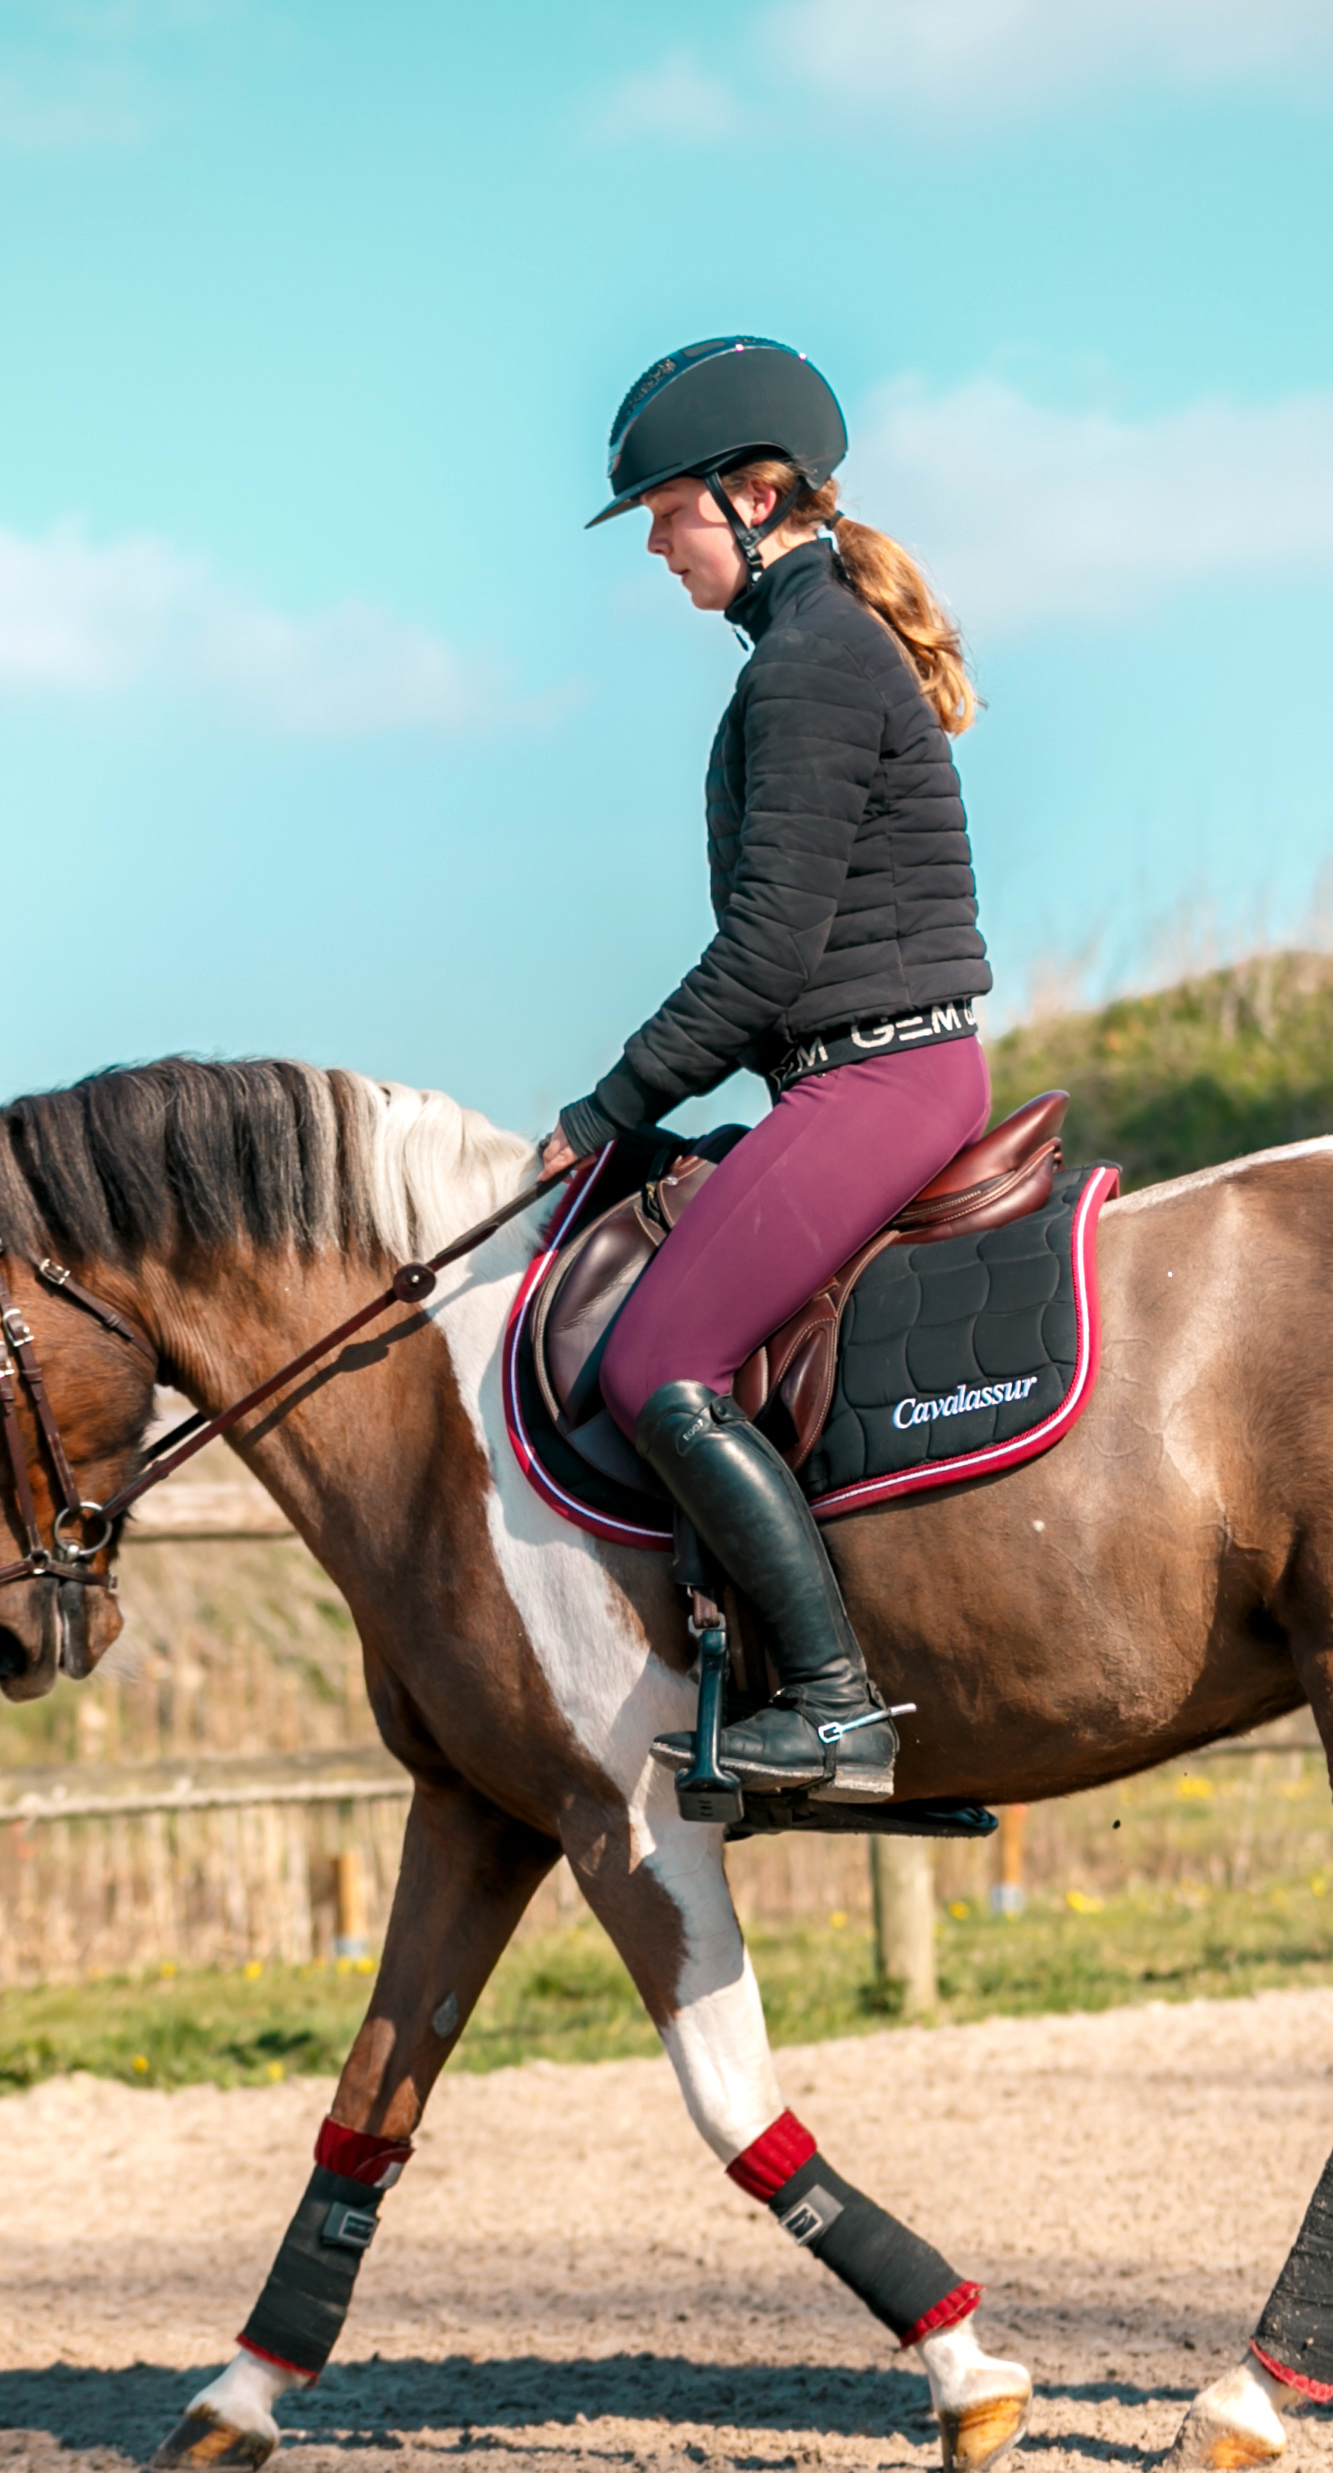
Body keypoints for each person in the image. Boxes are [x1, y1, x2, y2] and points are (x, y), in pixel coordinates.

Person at [546, 335, 993, 1803]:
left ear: (750, 496)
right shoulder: (804, 653)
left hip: (880, 1079)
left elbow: (762, 961)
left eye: (669, 516)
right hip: (848, 1071)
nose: (661, 551)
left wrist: (604, 1111)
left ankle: (836, 1704)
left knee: (652, 1362)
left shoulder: (807, 666)